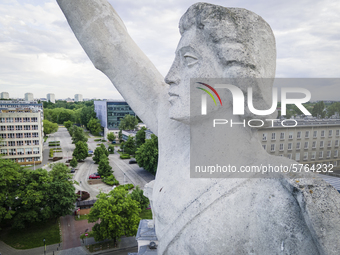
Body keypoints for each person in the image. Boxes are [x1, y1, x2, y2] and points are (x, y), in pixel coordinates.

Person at [57, 1, 340, 254]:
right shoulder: (175, 131)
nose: (170, 76)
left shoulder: (286, 198)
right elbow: (111, 50)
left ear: (238, 79)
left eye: (189, 60)